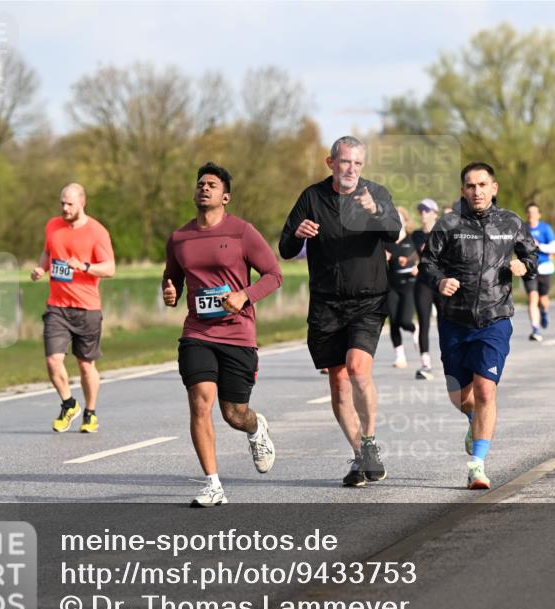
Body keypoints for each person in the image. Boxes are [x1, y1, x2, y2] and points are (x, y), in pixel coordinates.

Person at [279, 136, 401, 487]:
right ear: (330, 162)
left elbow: (393, 232)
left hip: (368, 299)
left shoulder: (375, 194)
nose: (351, 170)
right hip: (327, 302)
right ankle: (358, 454)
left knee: (357, 369)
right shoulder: (312, 198)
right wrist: (298, 234)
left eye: (357, 164)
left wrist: (375, 212)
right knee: (338, 380)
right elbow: (285, 248)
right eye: (345, 162)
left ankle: (370, 442)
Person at [162, 163, 281, 507]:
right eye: (200, 183)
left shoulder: (242, 232)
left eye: (212, 184)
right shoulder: (179, 237)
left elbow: (274, 275)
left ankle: (256, 428)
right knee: (201, 402)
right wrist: (169, 294)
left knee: (234, 413)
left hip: (238, 334)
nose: (204, 188)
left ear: (225, 196)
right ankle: (213, 484)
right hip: (197, 331)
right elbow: (172, 280)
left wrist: (245, 295)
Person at [418, 162, 538, 490]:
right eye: (470, 186)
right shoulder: (449, 224)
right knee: (461, 398)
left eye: (483, 185)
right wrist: (440, 281)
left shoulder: (511, 222)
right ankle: (472, 419)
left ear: (493, 188)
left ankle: (477, 465)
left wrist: (523, 265)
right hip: (454, 321)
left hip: (494, 318)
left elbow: (534, 258)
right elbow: (427, 263)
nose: (477, 191)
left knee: (486, 389)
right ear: (463, 191)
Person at [30, 183, 115, 432]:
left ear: (82, 203)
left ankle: (90, 412)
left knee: (86, 365)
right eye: (62, 203)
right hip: (57, 306)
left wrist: (85, 267)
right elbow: (48, 253)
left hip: (87, 307)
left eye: (70, 204)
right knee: (53, 360)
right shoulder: (52, 226)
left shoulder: (97, 232)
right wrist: (40, 268)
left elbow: (110, 268)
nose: (65, 208)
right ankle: (69, 404)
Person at [385, 207, 419, 369]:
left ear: (405, 221)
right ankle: (400, 357)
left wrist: (418, 267)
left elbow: (426, 256)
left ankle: (414, 329)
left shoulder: (413, 239)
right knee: (393, 321)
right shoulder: (386, 243)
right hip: (392, 285)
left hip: (410, 284)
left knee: (404, 321)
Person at [411, 199, 440, 380]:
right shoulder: (416, 235)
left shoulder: (444, 233)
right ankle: (425, 364)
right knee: (423, 323)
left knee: (446, 322)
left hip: (441, 283)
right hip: (423, 283)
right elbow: (414, 254)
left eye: (427, 210)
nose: (423, 213)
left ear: (435, 213)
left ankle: (451, 358)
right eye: (420, 210)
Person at [522, 203, 555, 342]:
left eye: (534, 212)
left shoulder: (545, 228)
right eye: (529, 212)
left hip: (544, 267)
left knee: (543, 300)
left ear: (539, 214)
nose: (532, 215)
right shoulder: (523, 228)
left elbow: (554, 248)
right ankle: (535, 329)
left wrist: (539, 246)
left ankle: (544, 312)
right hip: (529, 268)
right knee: (532, 298)